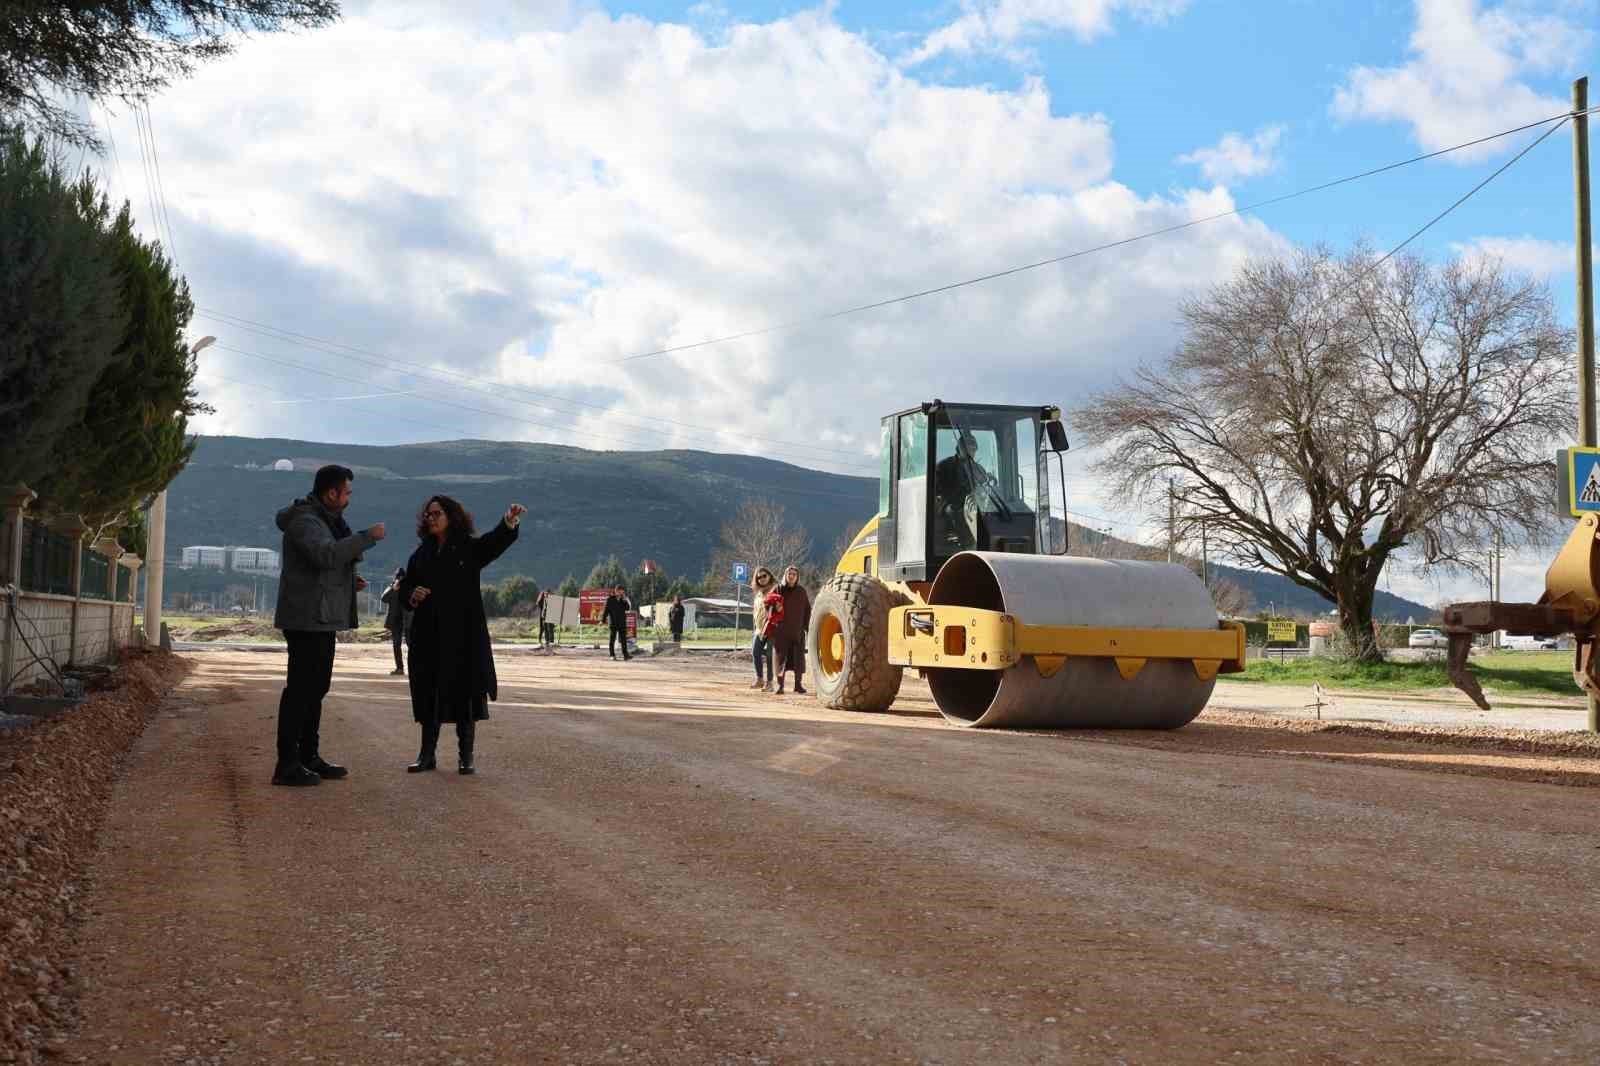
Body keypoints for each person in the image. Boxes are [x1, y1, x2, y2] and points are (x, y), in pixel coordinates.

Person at [270, 464, 385, 787]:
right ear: (330, 493)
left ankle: (308, 757)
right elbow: (325, 555)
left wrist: (349, 581)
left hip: (319, 617)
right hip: (306, 618)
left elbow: (328, 564)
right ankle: (287, 763)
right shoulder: (306, 520)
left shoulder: (324, 519)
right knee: (301, 691)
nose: (349, 498)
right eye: (346, 492)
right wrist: (366, 538)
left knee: (316, 689)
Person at [400, 496, 525, 775]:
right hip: (429, 636)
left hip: (463, 636)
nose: (431, 518)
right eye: (428, 514)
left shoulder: (468, 547)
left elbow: (493, 544)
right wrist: (412, 593)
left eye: (437, 513)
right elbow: (406, 586)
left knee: (465, 695)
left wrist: (508, 523)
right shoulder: (420, 554)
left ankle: (465, 757)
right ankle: (426, 756)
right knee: (429, 693)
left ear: (451, 516)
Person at [935, 429, 996, 549]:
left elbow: (985, 488)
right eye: (969, 448)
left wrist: (989, 481)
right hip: (951, 504)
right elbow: (939, 491)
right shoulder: (944, 466)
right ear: (960, 448)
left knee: (992, 513)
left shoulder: (978, 469)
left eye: (974, 449)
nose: (972, 451)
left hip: (974, 504)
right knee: (955, 511)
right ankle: (970, 546)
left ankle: (989, 544)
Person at [772, 565, 810, 695]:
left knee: (798, 660)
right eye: (789, 574)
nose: (792, 576)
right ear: (785, 575)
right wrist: (774, 609)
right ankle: (779, 686)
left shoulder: (802, 591)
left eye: (794, 574)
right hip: (781, 631)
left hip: (797, 631)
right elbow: (767, 604)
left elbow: (807, 610)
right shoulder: (778, 589)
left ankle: (798, 685)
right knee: (780, 659)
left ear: (797, 577)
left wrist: (807, 627)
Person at [749, 566, 777, 690]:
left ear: (769, 576)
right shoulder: (758, 593)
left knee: (770, 655)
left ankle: (770, 682)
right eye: (758, 577)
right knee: (755, 652)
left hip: (772, 627)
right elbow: (756, 611)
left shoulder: (776, 590)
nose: (761, 579)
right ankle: (759, 679)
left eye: (764, 576)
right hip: (759, 629)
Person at [380, 567, 411, 675]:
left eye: (401, 577)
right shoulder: (392, 586)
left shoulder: (409, 587)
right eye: (398, 577)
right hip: (396, 620)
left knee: (410, 644)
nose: (400, 579)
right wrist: (394, 589)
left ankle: (413, 667)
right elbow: (383, 598)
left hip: (408, 621)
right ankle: (399, 668)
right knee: (396, 645)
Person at [604, 585, 632, 660]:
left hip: (622, 623)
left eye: (623, 591)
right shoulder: (610, 599)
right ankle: (612, 655)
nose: (622, 592)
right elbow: (606, 610)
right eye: (620, 591)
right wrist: (602, 620)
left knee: (623, 640)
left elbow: (628, 608)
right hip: (613, 623)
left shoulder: (623, 600)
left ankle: (626, 655)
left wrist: (625, 599)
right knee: (612, 639)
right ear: (616, 591)